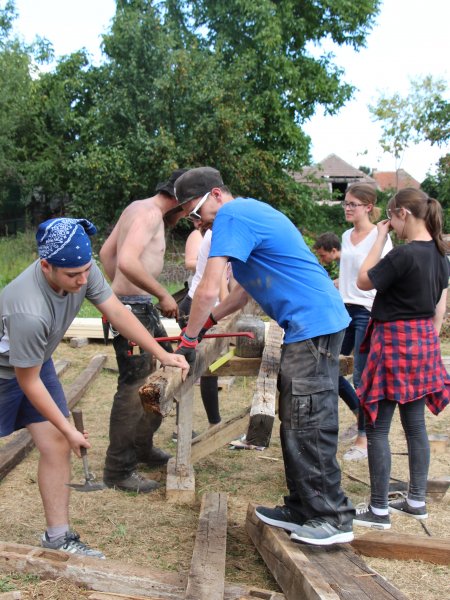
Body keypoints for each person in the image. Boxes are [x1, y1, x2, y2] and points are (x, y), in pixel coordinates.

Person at [173, 166, 355, 546]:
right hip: (309, 324)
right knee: (295, 414)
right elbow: (240, 294)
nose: (194, 220)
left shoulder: (232, 215)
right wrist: (207, 326)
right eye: (188, 215)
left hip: (315, 324)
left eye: (195, 210)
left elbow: (208, 288)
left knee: (309, 417)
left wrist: (188, 339)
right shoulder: (244, 216)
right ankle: (302, 507)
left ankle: (331, 516)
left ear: (217, 194)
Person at [0, 218, 188, 558]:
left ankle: (58, 537)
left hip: (34, 362)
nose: (83, 280)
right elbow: (26, 382)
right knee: (62, 433)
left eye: (87, 271)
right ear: (45, 265)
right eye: (74, 275)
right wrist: (69, 428)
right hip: (6, 375)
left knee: (55, 444)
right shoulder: (28, 309)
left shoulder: (79, 267)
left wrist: (162, 353)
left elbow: (117, 311)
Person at [352, 188, 449, 529]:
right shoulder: (440, 255)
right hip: (423, 341)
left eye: (391, 218)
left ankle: (378, 510)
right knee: (415, 425)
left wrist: (379, 237)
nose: (390, 223)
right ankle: (416, 501)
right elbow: (440, 305)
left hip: (394, 340)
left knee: (378, 427)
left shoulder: (403, 255)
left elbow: (363, 280)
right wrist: (431, 338)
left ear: (403, 214)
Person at [99, 169, 196, 492]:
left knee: (154, 377)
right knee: (132, 388)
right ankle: (118, 470)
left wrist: (116, 293)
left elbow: (106, 254)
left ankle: (141, 447)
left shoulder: (136, 208)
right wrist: (163, 294)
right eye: (187, 208)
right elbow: (125, 260)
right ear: (179, 200)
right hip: (136, 308)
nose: (185, 216)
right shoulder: (151, 214)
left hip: (134, 304)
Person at [338, 183, 393, 461]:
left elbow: (384, 277)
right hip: (342, 309)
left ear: (368, 207)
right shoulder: (346, 236)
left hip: (367, 311)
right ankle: (357, 415)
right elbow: (346, 276)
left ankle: (364, 438)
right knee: (327, 365)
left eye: (353, 204)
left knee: (361, 377)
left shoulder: (380, 238)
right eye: (345, 203)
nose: (347, 208)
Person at [177, 226, 231, 435]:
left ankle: (213, 423)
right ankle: (182, 428)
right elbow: (216, 278)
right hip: (197, 307)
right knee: (193, 366)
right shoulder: (212, 235)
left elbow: (226, 278)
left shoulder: (225, 234)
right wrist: (226, 305)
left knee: (209, 367)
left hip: (211, 307)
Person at [313, 232, 362, 442]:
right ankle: (360, 415)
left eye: (324, 255)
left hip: (358, 317)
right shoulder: (346, 265)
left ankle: (364, 422)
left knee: (349, 372)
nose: (322, 259)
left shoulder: (354, 259)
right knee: (334, 369)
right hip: (346, 318)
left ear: (334, 250)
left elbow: (361, 281)